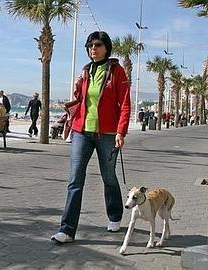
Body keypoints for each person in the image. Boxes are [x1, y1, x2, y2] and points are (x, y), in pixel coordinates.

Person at [51, 31, 131, 243]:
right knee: (75, 179)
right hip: (81, 131)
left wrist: (121, 131)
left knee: (109, 177)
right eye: (89, 46)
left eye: (97, 45)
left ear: (106, 47)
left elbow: (125, 104)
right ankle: (67, 230)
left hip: (107, 133)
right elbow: (82, 99)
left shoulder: (116, 71)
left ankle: (114, 215)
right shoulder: (86, 71)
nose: (92, 49)